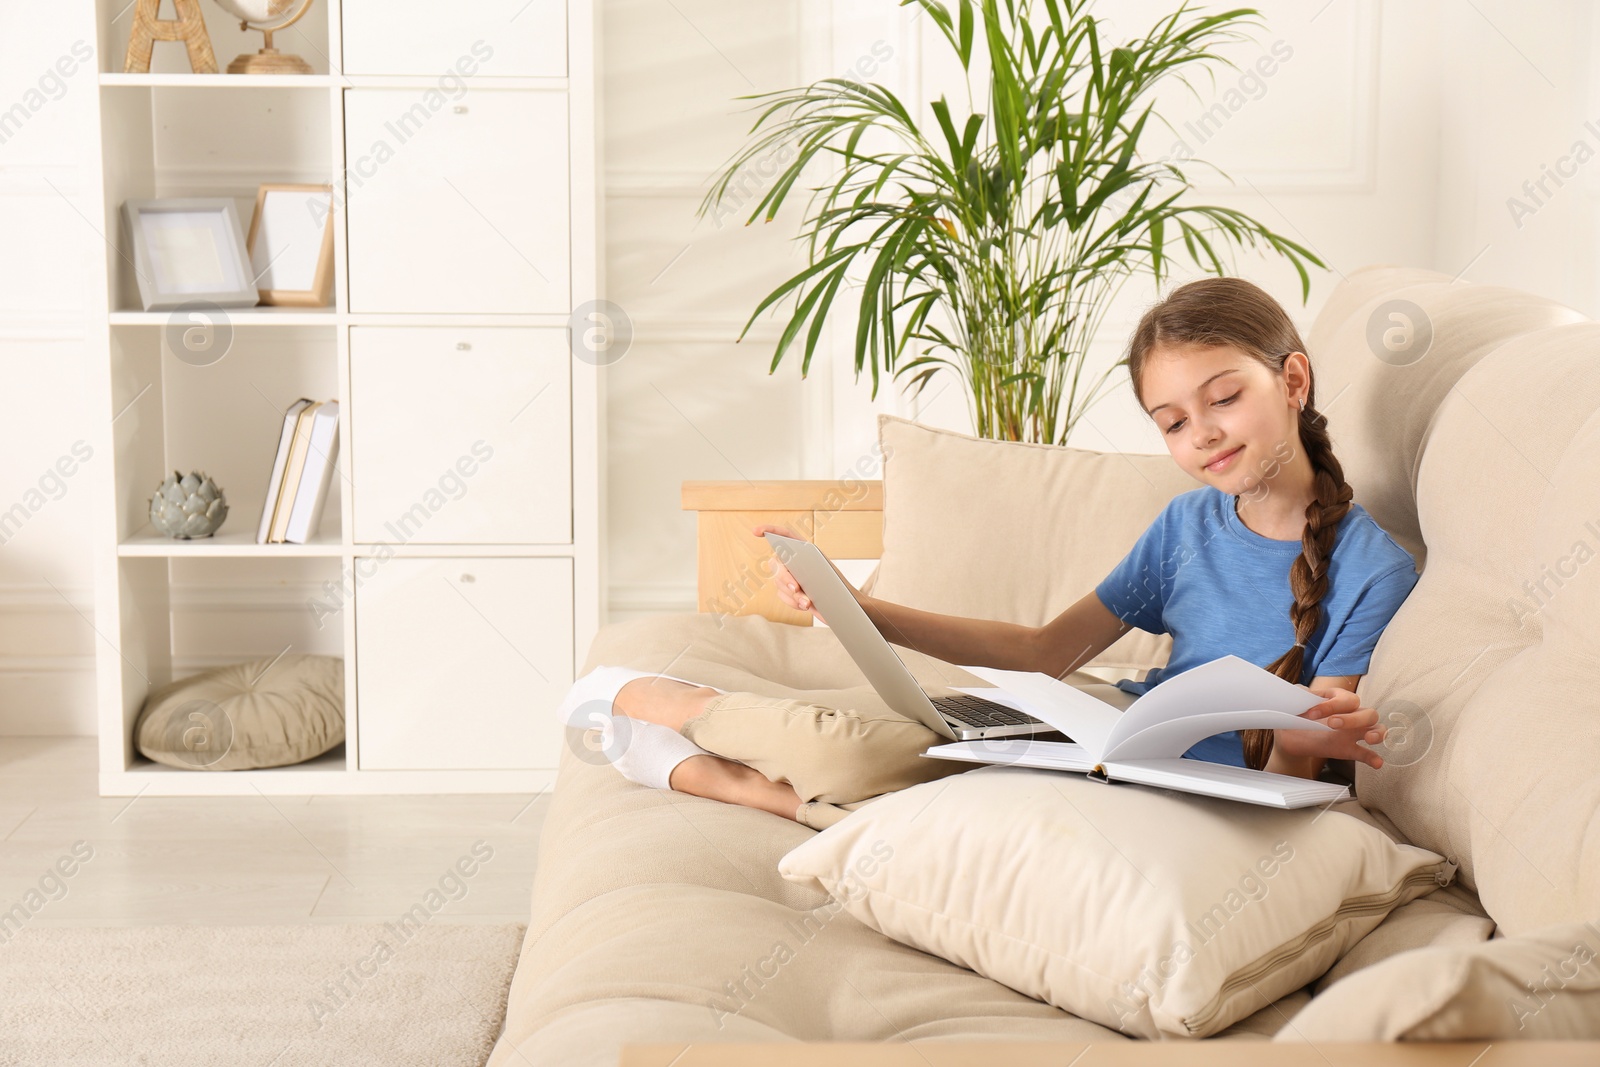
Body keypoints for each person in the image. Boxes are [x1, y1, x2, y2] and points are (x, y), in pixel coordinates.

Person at [555, 276, 1419, 829]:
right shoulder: (1187, 527)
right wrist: (861, 610)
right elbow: (1047, 652)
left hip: (1187, 795)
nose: (1203, 435)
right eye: (1174, 422)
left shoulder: (1372, 568)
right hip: (1100, 730)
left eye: (1223, 398)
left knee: (893, 790)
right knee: (877, 748)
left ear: (1294, 382)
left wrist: (1313, 730)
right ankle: (647, 696)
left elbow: (1308, 769)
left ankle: (732, 780)